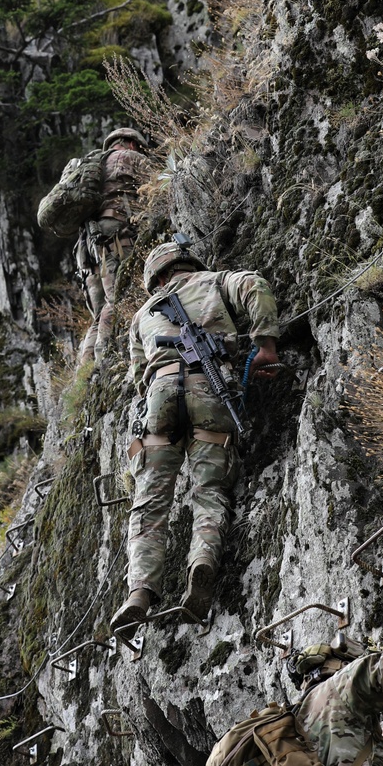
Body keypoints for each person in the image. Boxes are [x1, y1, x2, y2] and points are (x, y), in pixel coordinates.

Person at [110, 237, 280, 633]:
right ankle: (202, 560)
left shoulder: (142, 316)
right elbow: (255, 284)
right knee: (209, 491)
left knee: (149, 503)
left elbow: (139, 377)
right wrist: (265, 345)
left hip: (159, 400)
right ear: (189, 263)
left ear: (157, 276)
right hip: (210, 389)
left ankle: (139, 591)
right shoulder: (216, 281)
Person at [77, 128, 151, 367]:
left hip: (87, 248)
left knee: (99, 315)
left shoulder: (92, 165)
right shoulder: (131, 158)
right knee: (116, 299)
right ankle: (103, 364)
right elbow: (159, 186)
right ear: (131, 144)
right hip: (114, 237)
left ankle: (85, 373)